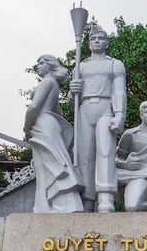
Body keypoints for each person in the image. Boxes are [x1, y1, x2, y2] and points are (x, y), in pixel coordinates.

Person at [69, 24, 127, 212]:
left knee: (106, 153)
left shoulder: (114, 64)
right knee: (84, 157)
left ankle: (105, 197)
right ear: (88, 44)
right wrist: (72, 92)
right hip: (85, 109)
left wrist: (120, 115)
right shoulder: (80, 66)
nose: (96, 41)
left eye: (100, 38)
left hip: (105, 108)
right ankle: (87, 198)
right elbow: (72, 101)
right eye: (93, 39)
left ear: (107, 42)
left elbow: (119, 91)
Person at [24, 55, 84, 213]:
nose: (38, 66)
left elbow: (34, 108)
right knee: (49, 165)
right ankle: (47, 206)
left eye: (42, 63)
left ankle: (63, 205)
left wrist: (26, 126)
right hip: (49, 124)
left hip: (43, 124)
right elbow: (58, 112)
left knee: (53, 166)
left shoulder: (47, 82)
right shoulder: (53, 85)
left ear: (50, 65)